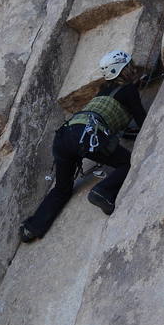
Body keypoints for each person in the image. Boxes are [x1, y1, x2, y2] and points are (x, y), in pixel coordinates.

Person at [19, 50, 147, 243]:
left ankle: (31, 229)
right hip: (87, 137)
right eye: (130, 65)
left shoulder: (102, 91)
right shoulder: (128, 90)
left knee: (62, 188)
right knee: (127, 163)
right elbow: (143, 121)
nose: (133, 68)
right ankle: (102, 191)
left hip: (64, 136)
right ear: (123, 70)